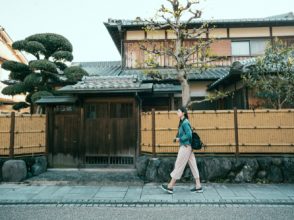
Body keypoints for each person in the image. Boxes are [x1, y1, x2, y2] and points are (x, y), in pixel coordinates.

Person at [161, 106, 203, 194]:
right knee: (193, 165)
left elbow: (189, 135)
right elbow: (185, 133)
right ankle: (198, 186)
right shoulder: (182, 122)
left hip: (185, 147)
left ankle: (170, 186)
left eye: (178, 111)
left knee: (179, 165)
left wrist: (179, 139)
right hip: (188, 147)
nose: (177, 112)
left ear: (183, 113)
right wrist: (177, 137)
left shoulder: (185, 123)